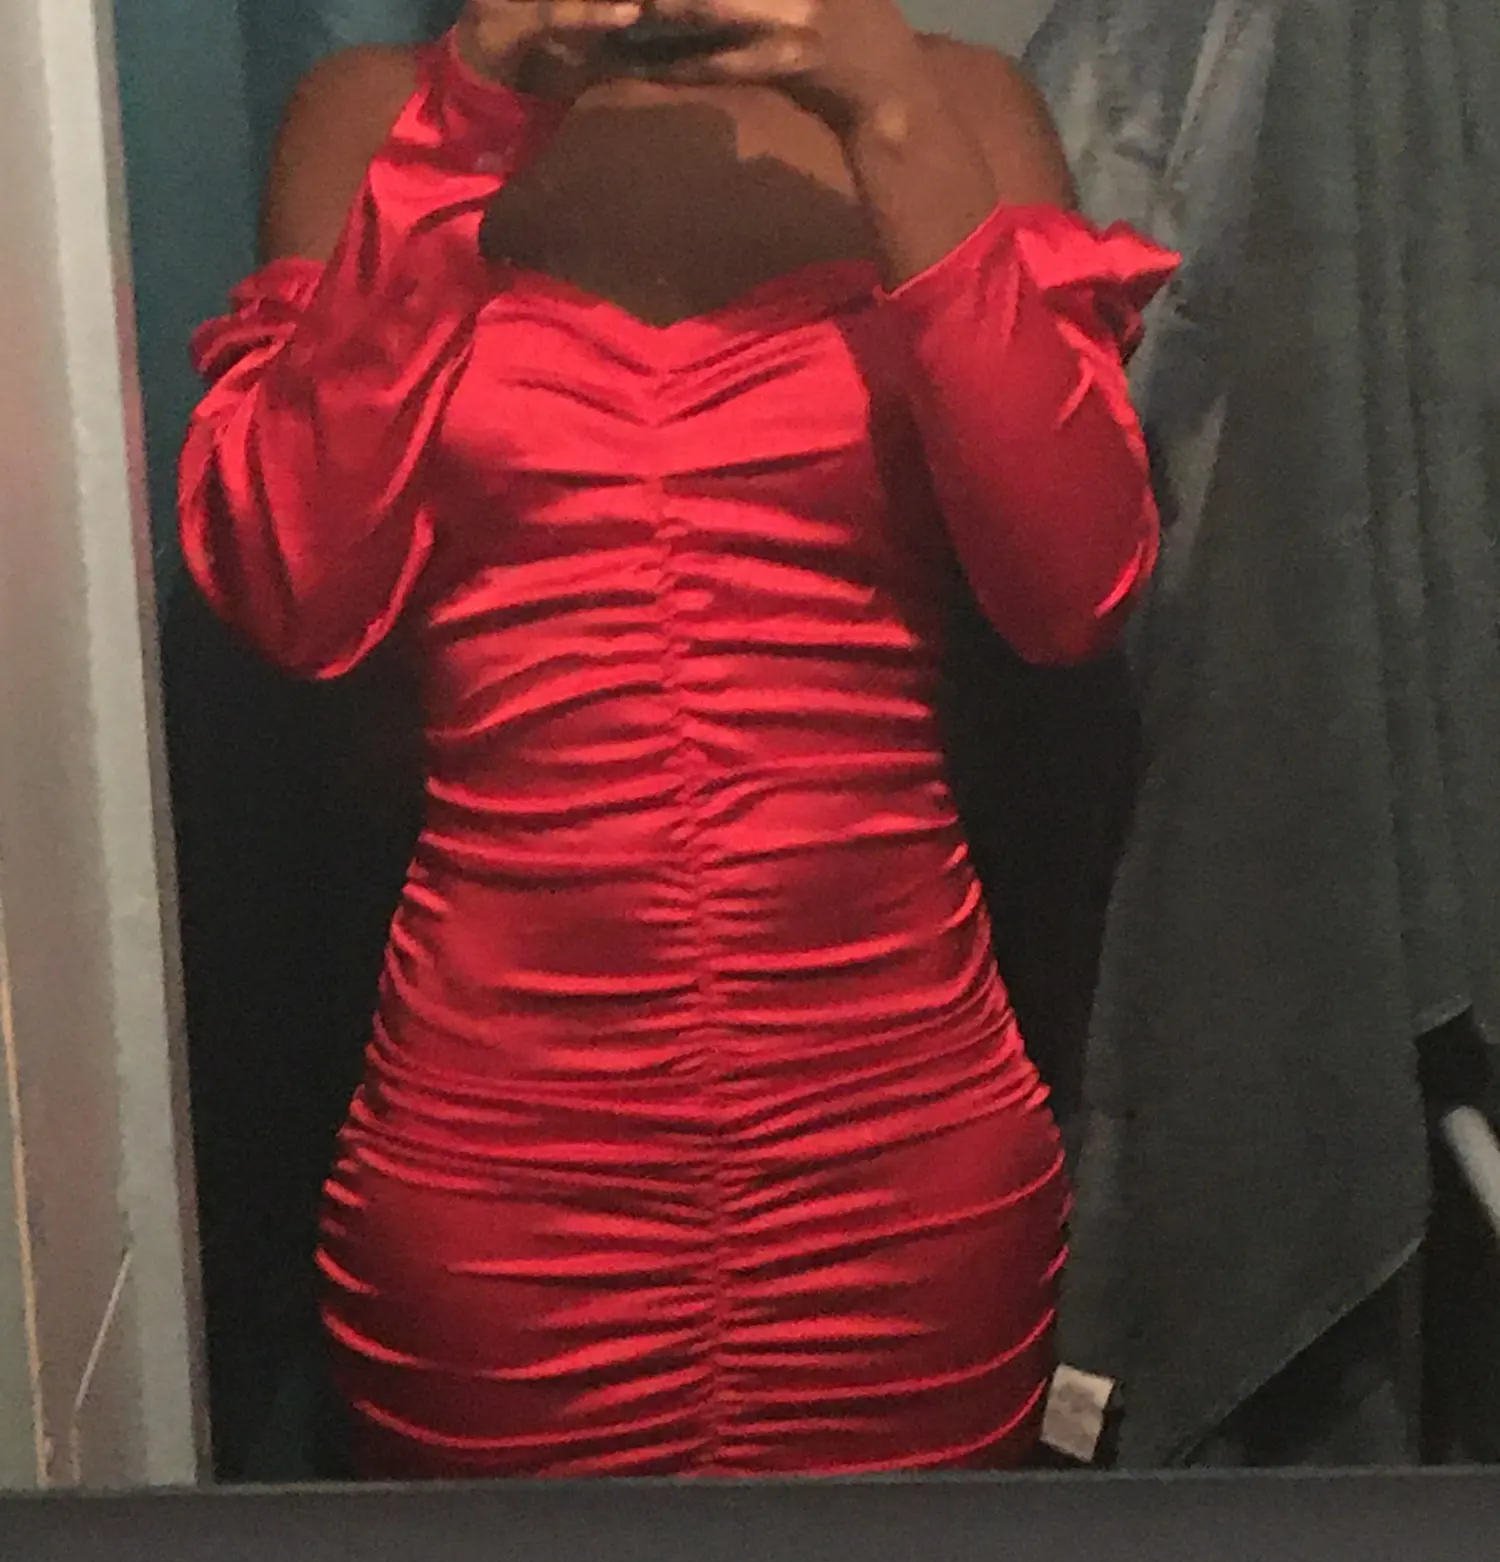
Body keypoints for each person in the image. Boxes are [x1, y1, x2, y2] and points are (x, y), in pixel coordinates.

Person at [179, 0, 1177, 1480]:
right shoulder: (376, 112)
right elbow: (292, 591)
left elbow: (1072, 589)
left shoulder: (957, 104)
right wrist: (471, 115)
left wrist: (891, 118)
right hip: (499, 1167)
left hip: (900, 1149)